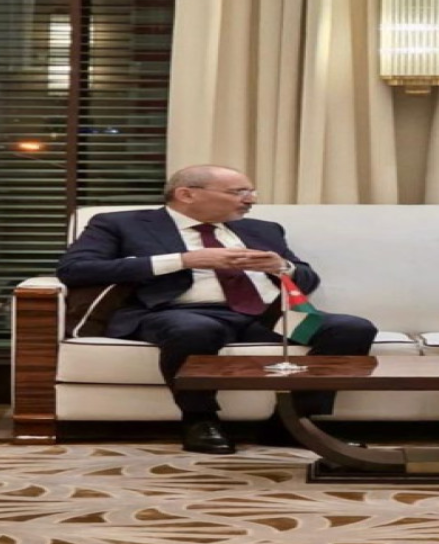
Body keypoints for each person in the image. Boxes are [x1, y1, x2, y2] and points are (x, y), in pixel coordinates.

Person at [56, 164, 377, 455]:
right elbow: (76, 270)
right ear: (187, 194)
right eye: (239, 192)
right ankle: (200, 420)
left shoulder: (263, 229)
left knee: (350, 329)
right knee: (194, 330)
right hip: (176, 311)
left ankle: (292, 424)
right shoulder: (121, 224)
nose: (250, 200)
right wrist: (182, 260)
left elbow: (307, 280)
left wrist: (282, 266)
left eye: (251, 192)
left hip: (263, 316)